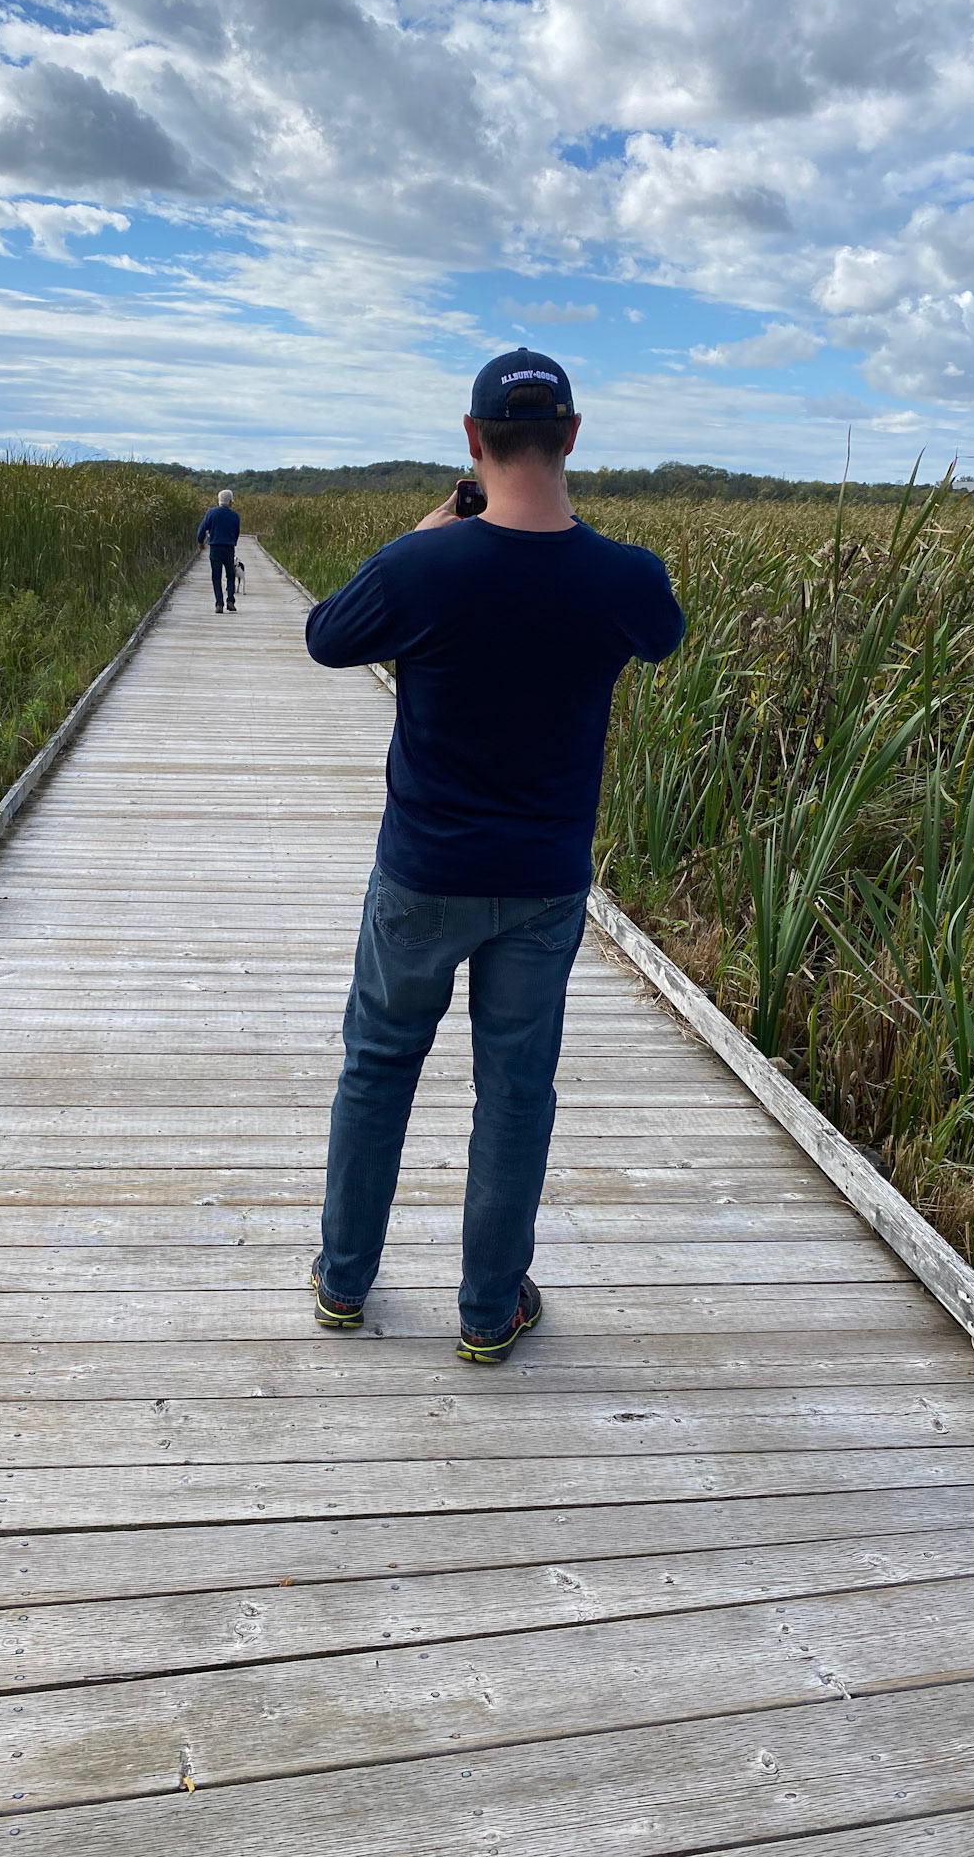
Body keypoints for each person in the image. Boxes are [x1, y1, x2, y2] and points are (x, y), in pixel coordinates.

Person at [304, 349, 685, 1362]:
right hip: (543, 883)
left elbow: (326, 636)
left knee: (378, 1068)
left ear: (473, 440)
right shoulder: (625, 577)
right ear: (572, 436)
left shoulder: (421, 568)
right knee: (516, 1095)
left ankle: (343, 1284)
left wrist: (427, 532)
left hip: (423, 872)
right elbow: (663, 635)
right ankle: (486, 1311)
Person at [198, 488, 241, 613]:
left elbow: (202, 529)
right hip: (229, 548)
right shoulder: (234, 516)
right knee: (231, 575)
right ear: (230, 502)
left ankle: (219, 603)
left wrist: (201, 542)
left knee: (216, 576)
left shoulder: (211, 513)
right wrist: (233, 541)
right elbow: (236, 532)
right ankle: (230, 600)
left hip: (215, 547)